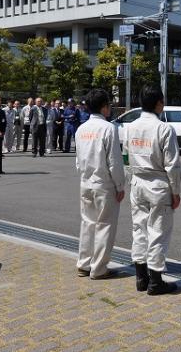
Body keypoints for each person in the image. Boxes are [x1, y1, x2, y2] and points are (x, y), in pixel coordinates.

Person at [124, 86, 181, 295]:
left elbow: (125, 158)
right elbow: (173, 165)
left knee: (139, 229)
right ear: (159, 103)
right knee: (157, 231)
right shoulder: (164, 129)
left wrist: (130, 181)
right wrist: (175, 192)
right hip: (158, 184)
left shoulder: (129, 128)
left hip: (137, 183)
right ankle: (156, 281)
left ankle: (141, 277)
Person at [75, 89, 125, 280]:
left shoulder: (81, 129)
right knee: (105, 225)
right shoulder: (108, 128)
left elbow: (78, 161)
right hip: (104, 184)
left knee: (87, 223)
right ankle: (99, 268)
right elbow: (114, 161)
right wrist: (120, 186)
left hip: (85, 182)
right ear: (104, 107)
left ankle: (84, 263)